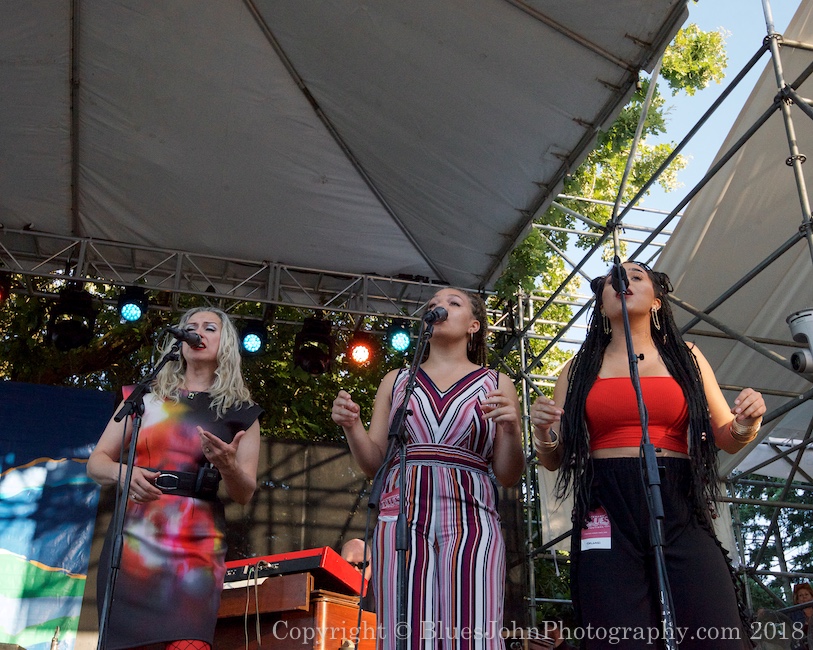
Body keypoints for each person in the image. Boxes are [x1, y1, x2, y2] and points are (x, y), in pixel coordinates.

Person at [530, 261, 765, 650]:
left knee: (717, 629)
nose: (622, 281)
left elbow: (727, 436)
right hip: (606, 501)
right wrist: (542, 432)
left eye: (637, 276)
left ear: (657, 300)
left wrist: (748, 421)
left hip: (678, 497)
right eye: (611, 280)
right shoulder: (577, 368)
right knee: (617, 637)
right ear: (602, 304)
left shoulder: (686, 357)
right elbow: (555, 459)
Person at [332, 287, 525, 649]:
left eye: (453, 303)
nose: (439, 307)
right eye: (433, 304)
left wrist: (513, 430)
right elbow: (374, 462)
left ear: (474, 326)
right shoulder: (397, 380)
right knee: (406, 627)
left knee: (473, 627)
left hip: (472, 512)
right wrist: (351, 426)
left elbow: (509, 474)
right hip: (402, 510)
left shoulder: (497, 382)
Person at [87, 307, 263, 650]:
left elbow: (244, 493)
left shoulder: (243, 412)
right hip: (135, 540)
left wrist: (227, 464)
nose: (198, 332)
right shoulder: (144, 398)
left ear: (224, 342)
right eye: (191, 327)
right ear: (178, 342)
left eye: (209, 328)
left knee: (189, 640)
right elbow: (96, 463)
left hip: (196, 546)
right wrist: (124, 472)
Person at [341, 537, 375, 611]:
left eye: (362, 565)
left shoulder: (378, 591)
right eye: (350, 564)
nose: (356, 570)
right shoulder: (333, 587)